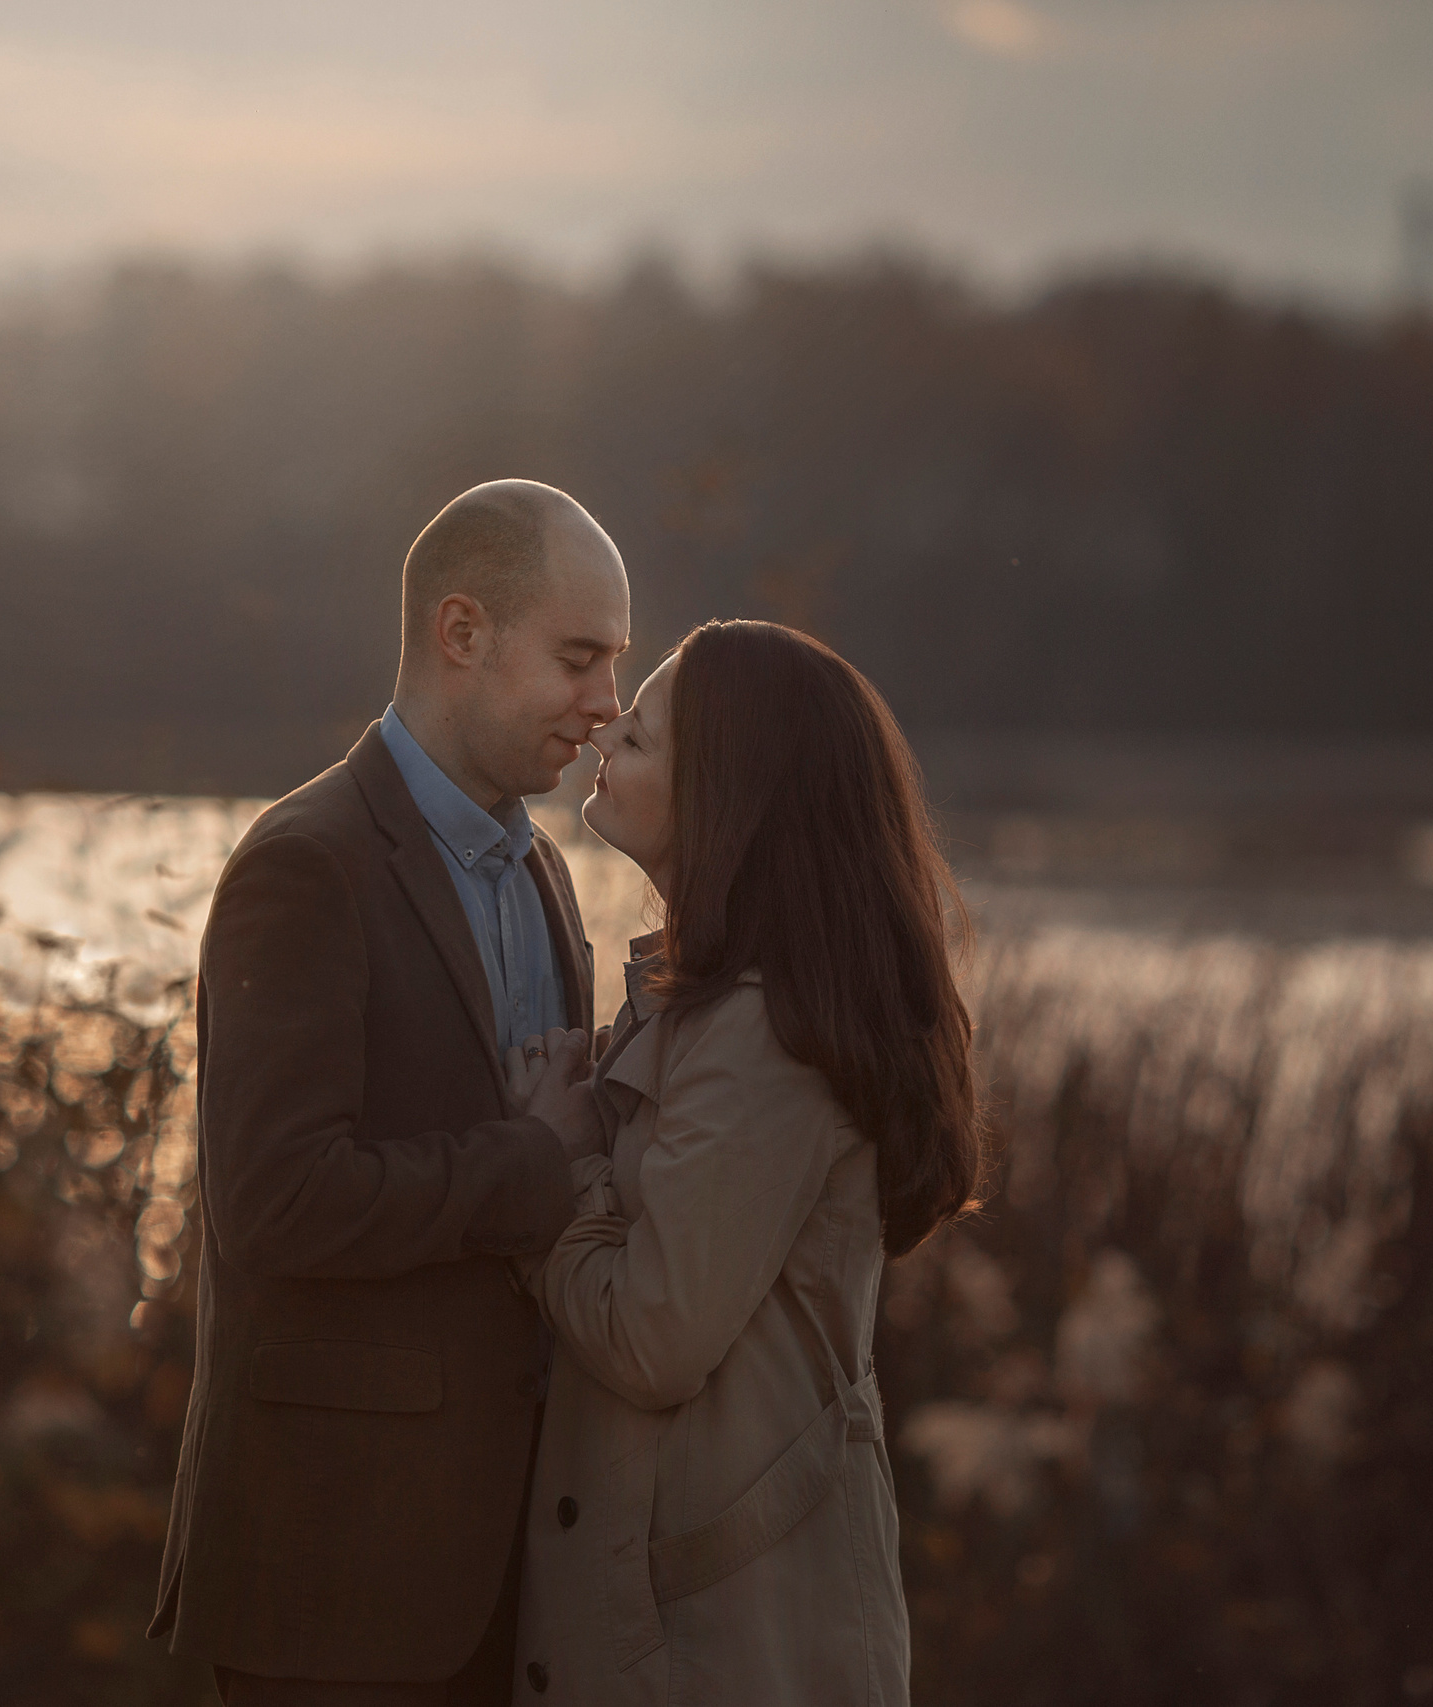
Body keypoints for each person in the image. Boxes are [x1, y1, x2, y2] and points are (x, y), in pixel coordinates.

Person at [150, 479, 632, 1704]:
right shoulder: (305, 866)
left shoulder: (547, 882)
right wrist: (531, 1163)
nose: (608, 704)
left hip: (514, 1576)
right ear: (461, 635)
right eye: (578, 658)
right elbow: (278, 1202)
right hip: (334, 1580)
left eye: (615, 664)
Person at [503, 619, 984, 1705]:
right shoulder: (718, 1006)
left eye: (645, 732)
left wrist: (553, 1166)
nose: (605, 735)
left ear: (734, 789)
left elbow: (652, 1334)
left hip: (723, 1649)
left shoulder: (764, 1033)